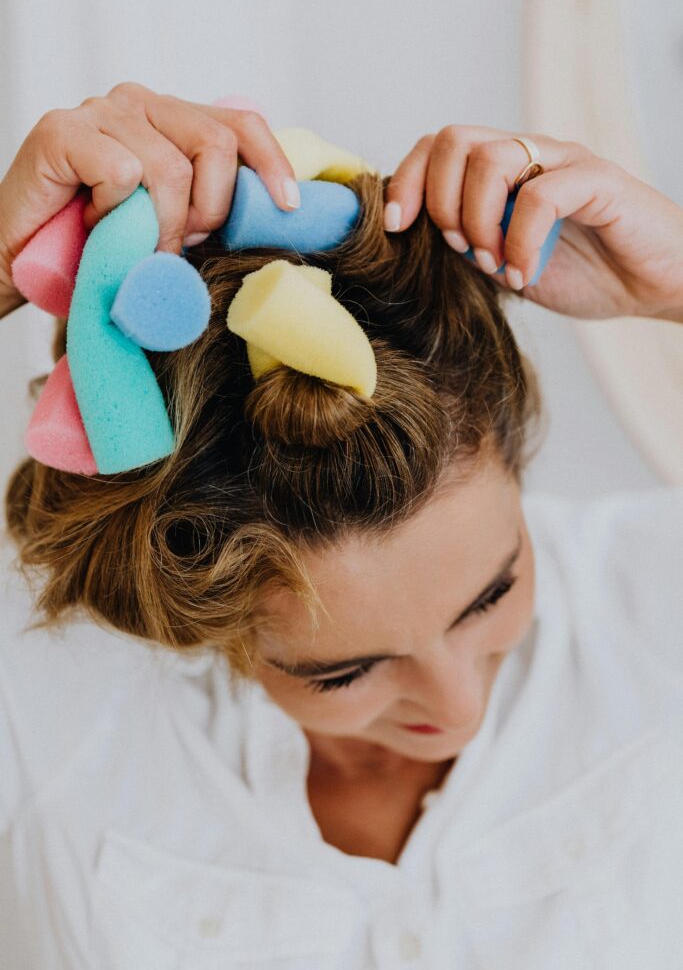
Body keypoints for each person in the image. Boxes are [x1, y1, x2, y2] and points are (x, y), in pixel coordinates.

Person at [0, 82, 681, 970]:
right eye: (345, 672)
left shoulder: (652, 606)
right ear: (197, 617)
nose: (458, 707)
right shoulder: (47, 719)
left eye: (492, 595)